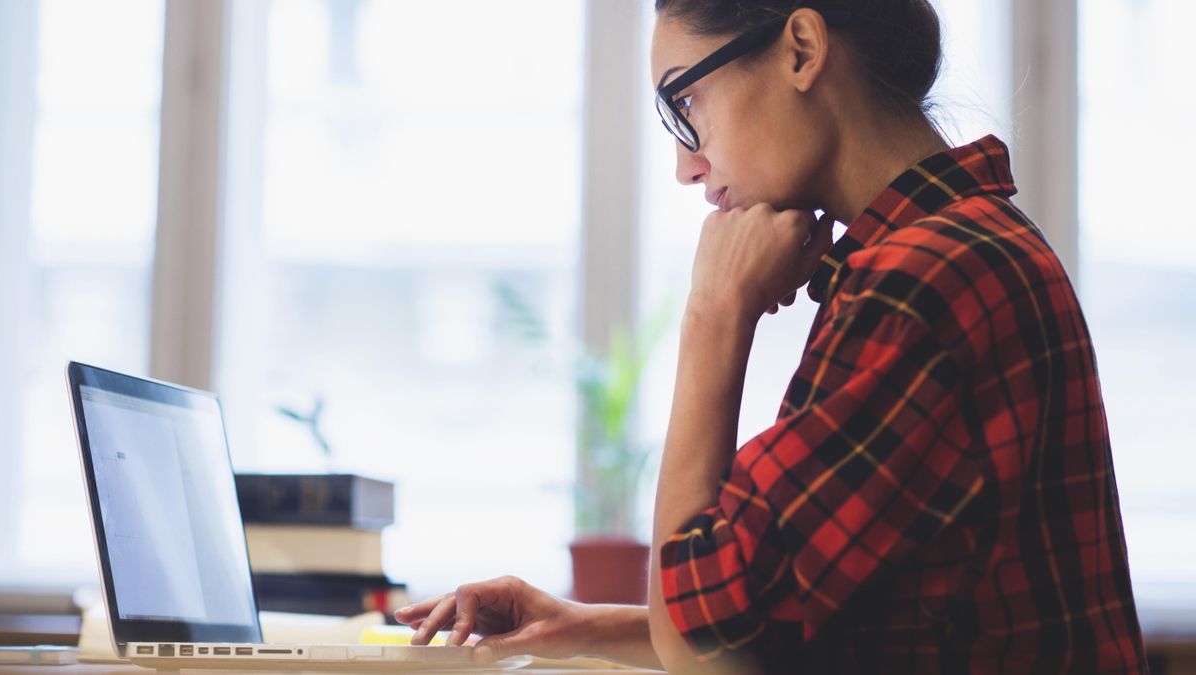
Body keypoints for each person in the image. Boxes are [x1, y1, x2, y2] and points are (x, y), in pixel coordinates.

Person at [395, 0, 1149, 672]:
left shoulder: (922, 284)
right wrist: (579, 626)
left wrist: (714, 315)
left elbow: (702, 647)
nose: (686, 166)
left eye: (685, 102)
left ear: (801, 50)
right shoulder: (952, 246)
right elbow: (777, 622)